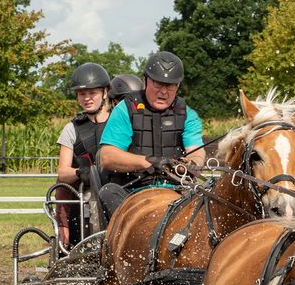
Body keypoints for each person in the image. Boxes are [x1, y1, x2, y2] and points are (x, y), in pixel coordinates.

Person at [98, 50, 205, 196]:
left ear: (178, 86)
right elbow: (108, 157)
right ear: (145, 80)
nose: (163, 92)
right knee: (107, 192)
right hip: (131, 190)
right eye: (158, 84)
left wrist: (192, 164)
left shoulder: (188, 114)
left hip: (176, 190)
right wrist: (148, 161)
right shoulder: (124, 109)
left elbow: (197, 151)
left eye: (170, 86)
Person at [55, 62, 110, 248]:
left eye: (92, 93)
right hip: (86, 196)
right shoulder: (72, 129)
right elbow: (62, 173)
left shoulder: (119, 124)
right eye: (81, 94)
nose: (87, 98)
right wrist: (82, 172)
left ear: (105, 92)